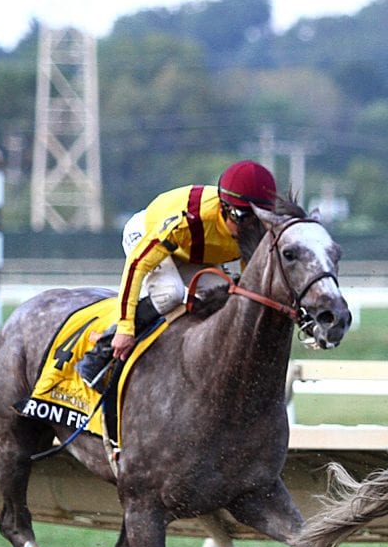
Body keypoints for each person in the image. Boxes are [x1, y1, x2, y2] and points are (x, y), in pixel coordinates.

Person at [75, 159, 278, 388]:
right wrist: (125, 327)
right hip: (149, 233)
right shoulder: (187, 219)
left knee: (224, 300)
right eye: (243, 217)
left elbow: (249, 287)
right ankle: (100, 352)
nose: (251, 227)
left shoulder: (258, 231)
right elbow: (136, 266)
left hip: (193, 251)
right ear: (224, 207)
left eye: (259, 218)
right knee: (170, 293)